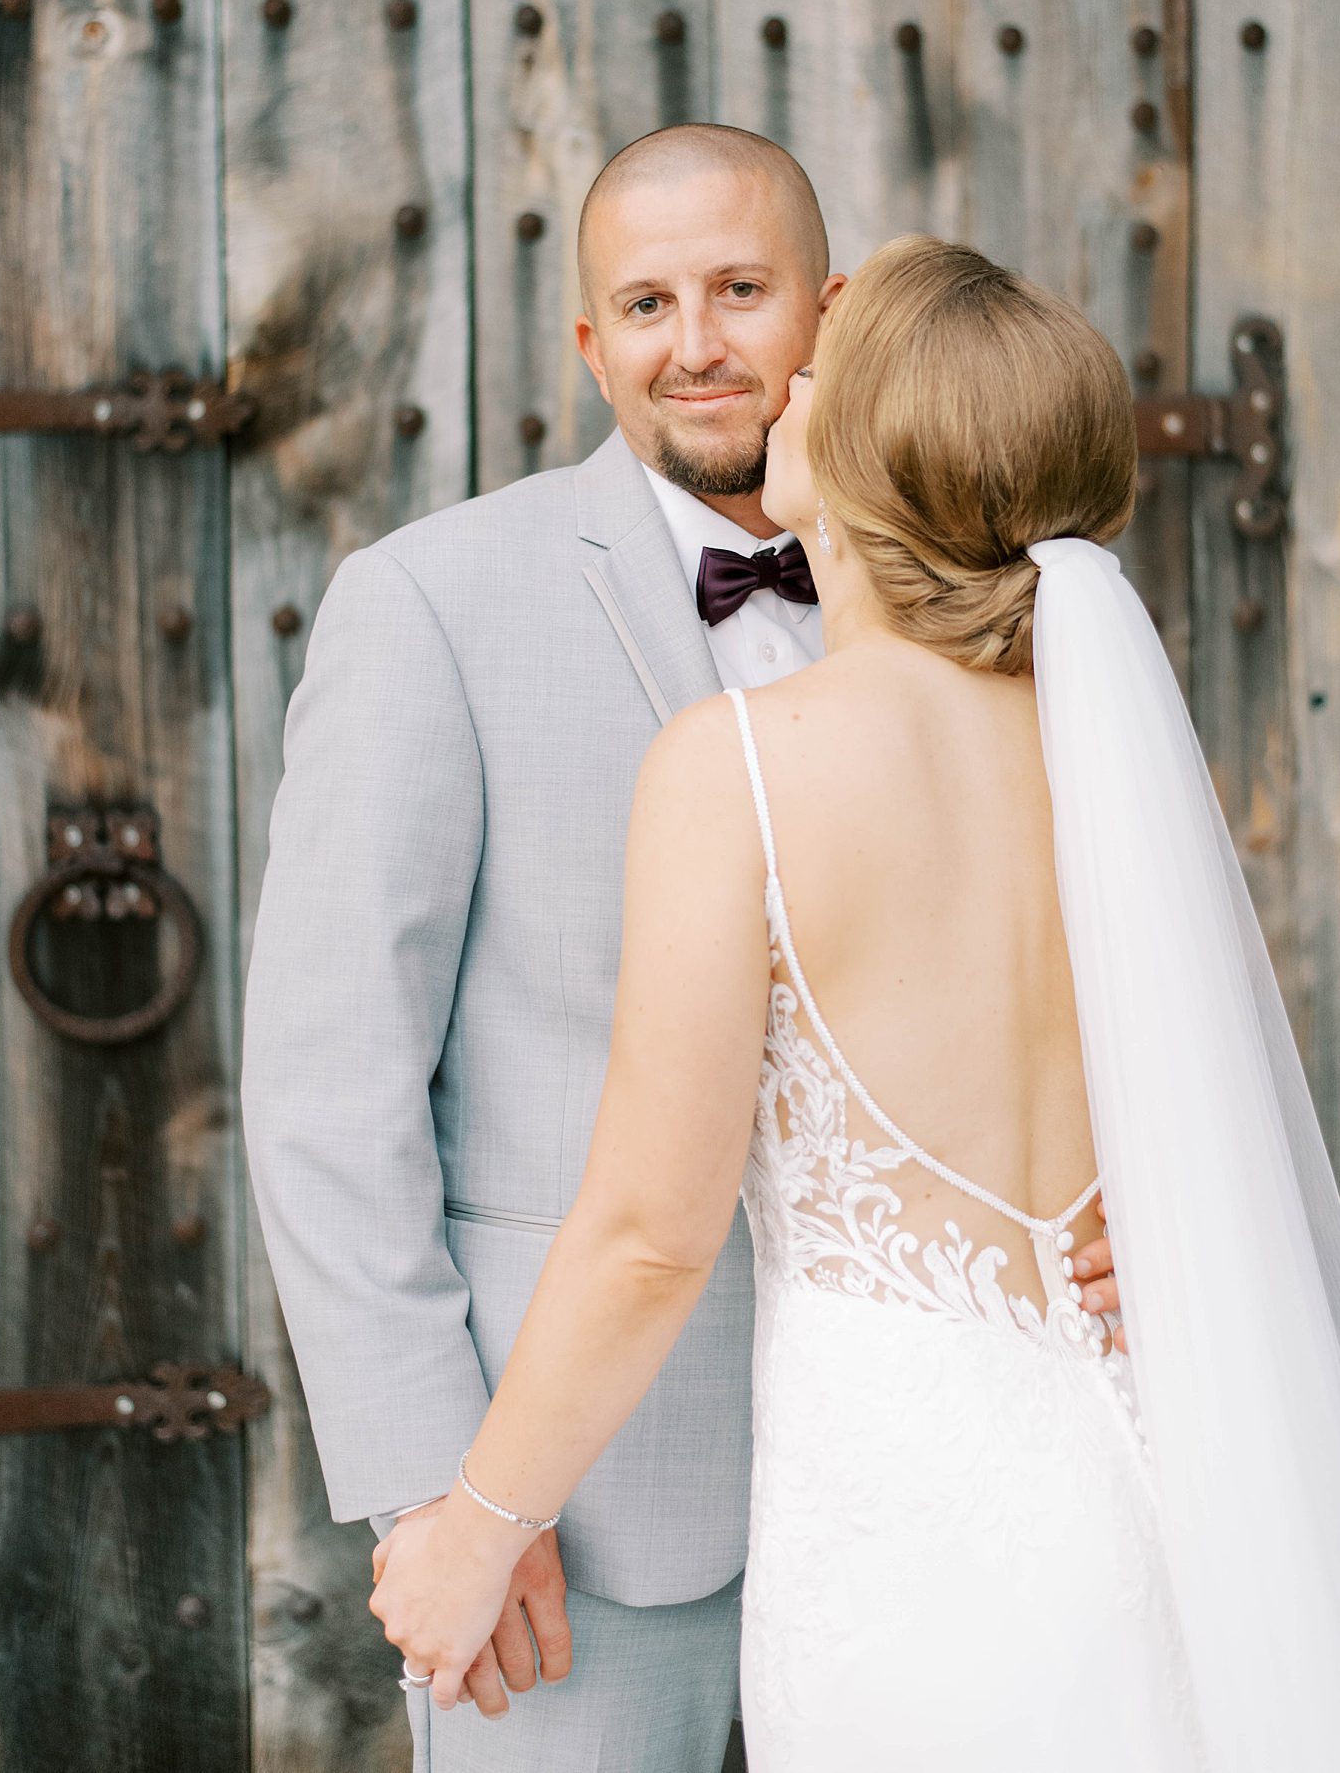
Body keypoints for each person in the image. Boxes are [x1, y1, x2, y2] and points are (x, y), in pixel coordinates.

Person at [367, 235, 1340, 1768]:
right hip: (1139, 1506)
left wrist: (478, 1519)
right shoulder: (1109, 763)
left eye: (815, 367)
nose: (780, 384)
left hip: (902, 1550)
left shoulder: (738, 765)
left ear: (869, 451)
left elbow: (649, 1228)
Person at [241, 128, 1131, 1772]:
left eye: (738, 288)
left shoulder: (1012, 634)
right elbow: (325, 1083)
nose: (696, 340)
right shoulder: (430, 602)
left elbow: (1109, 1013)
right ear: (590, 345)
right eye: (644, 303)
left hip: (921, 1481)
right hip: (572, 1510)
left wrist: (1138, 1220)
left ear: (833, 311)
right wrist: (443, 1482)